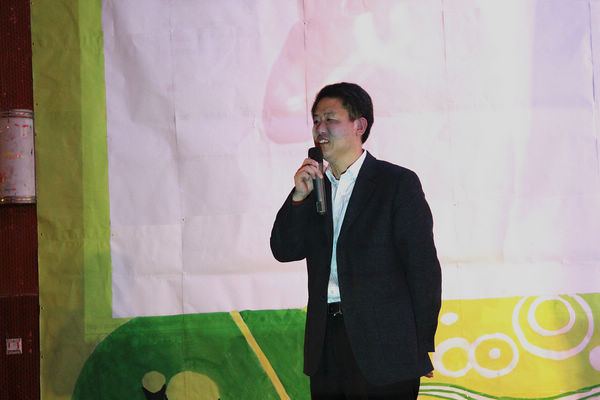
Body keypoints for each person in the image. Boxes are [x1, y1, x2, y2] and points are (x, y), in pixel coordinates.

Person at [270, 82, 442, 399]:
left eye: (330, 119)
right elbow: (284, 250)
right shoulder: (314, 188)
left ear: (359, 125)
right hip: (326, 344)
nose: (320, 129)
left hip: (385, 346)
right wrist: (298, 198)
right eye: (316, 120)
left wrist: (420, 343)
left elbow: (423, 269)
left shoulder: (396, 183)